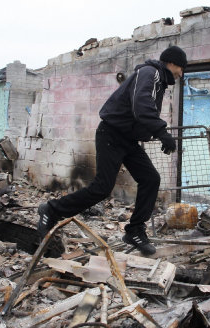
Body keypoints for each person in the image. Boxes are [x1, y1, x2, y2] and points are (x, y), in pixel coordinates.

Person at [37, 45, 187, 256]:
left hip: (127, 138)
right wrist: (162, 132)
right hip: (112, 134)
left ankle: (134, 230)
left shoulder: (158, 79)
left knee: (150, 178)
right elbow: (141, 105)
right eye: (182, 68)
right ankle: (51, 209)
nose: (182, 73)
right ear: (173, 63)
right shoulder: (151, 73)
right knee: (102, 187)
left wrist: (153, 133)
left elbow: (140, 111)